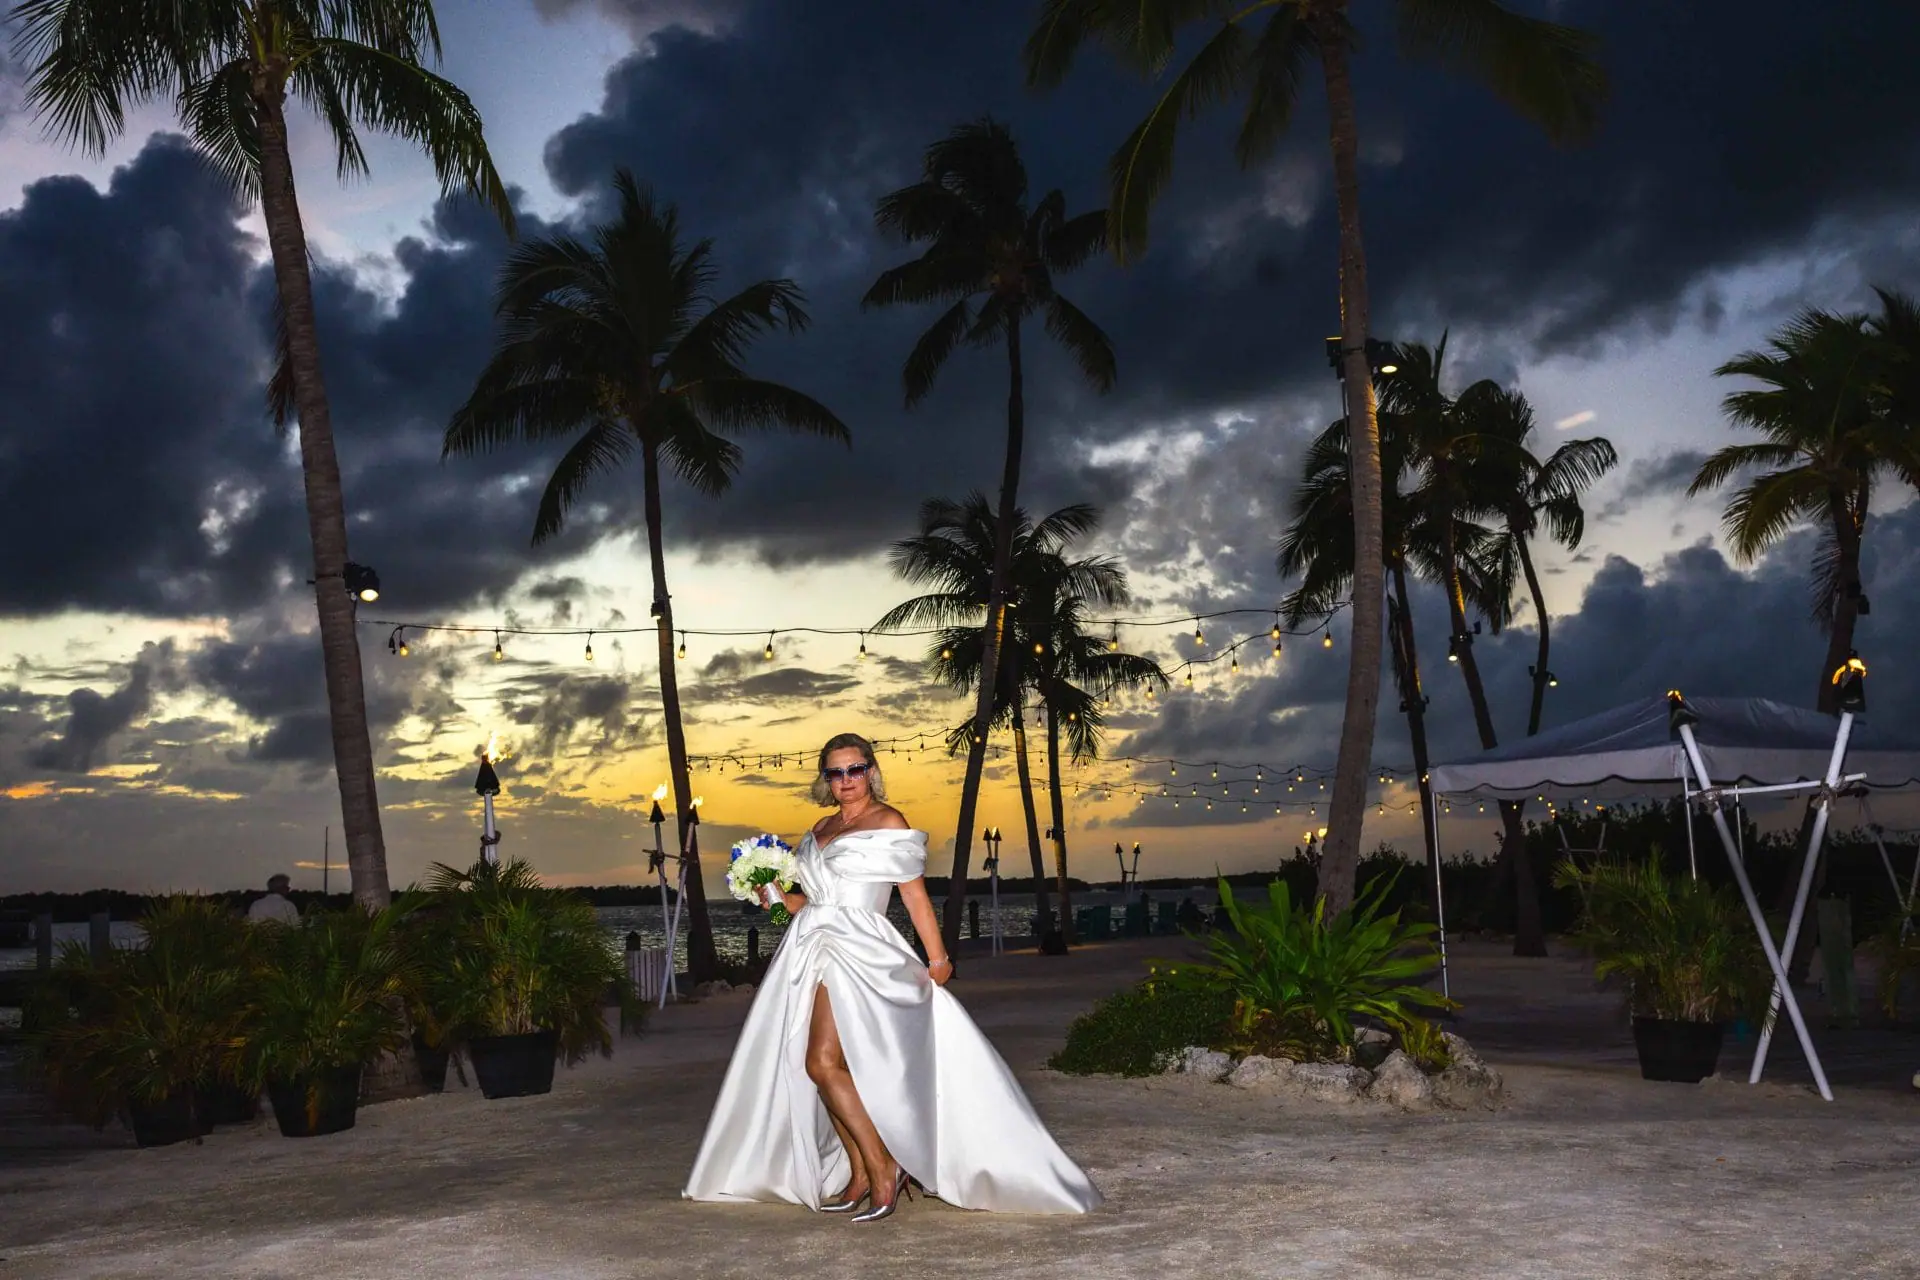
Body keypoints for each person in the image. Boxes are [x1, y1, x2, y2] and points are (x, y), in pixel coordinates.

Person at [684, 732, 1101, 1221]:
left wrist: (939, 957)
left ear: (871, 770)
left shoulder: (889, 822)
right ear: (825, 779)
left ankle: (885, 1167)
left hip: (861, 950)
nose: (846, 781)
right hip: (809, 947)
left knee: (821, 1063)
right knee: (815, 1065)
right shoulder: (818, 829)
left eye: (854, 769)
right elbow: (804, 907)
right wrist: (772, 896)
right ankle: (860, 1172)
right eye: (835, 772)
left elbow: (915, 897)